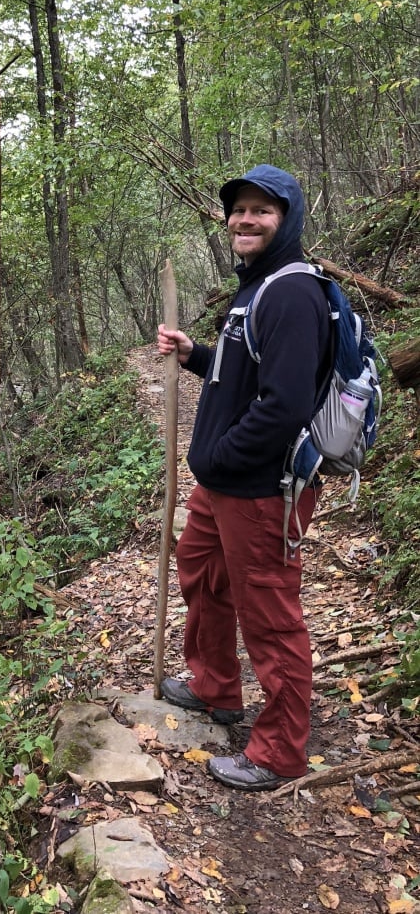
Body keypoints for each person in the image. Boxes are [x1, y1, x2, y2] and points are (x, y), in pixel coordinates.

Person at [156, 164, 332, 791]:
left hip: (261, 489)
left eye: (262, 210)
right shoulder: (255, 289)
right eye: (239, 209)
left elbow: (285, 406)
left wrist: (221, 456)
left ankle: (279, 752)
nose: (245, 219)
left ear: (287, 219)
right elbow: (245, 375)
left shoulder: (292, 293)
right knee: (201, 570)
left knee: (270, 616)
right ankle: (215, 685)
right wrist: (195, 355)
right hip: (225, 485)